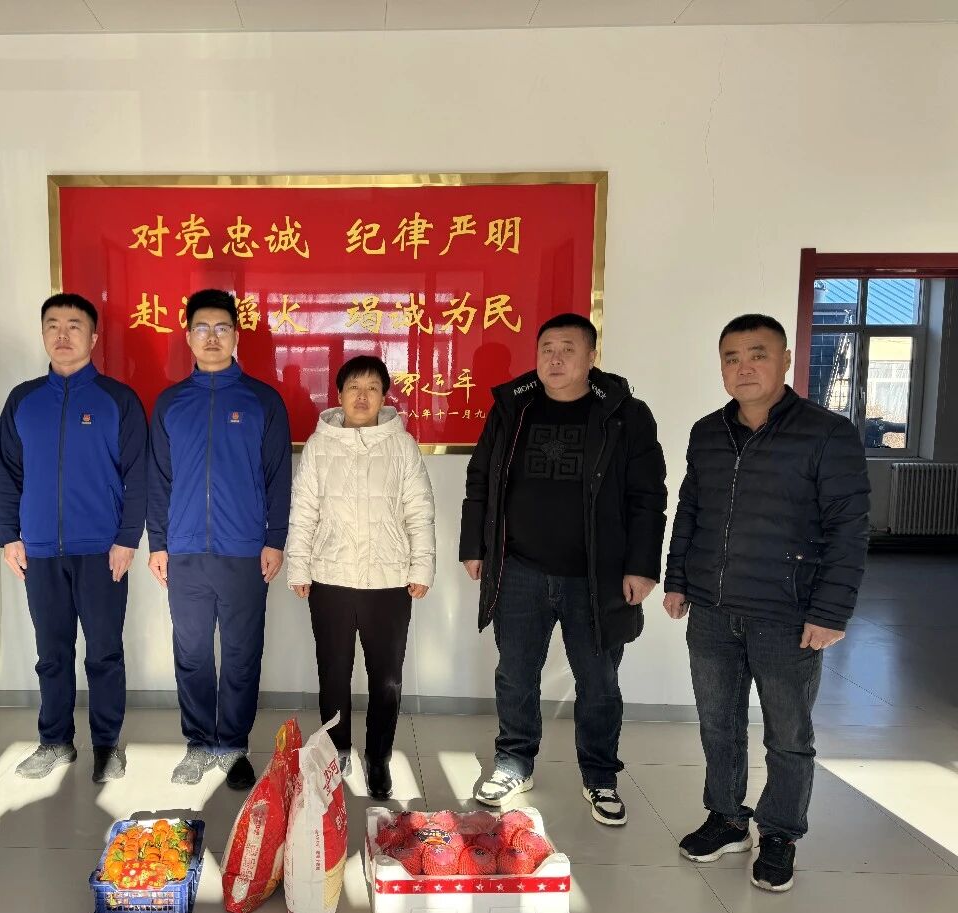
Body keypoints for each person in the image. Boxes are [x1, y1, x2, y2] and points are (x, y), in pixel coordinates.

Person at [664, 313, 869, 893]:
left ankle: (780, 832)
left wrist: (830, 612)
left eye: (758, 354)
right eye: (731, 357)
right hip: (712, 607)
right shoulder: (708, 432)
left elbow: (849, 529)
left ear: (785, 360)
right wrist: (678, 579)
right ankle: (727, 818)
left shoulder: (827, 433)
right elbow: (691, 510)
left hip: (788, 613)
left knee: (788, 734)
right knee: (718, 724)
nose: (744, 367)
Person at [459, 312, 667, 824]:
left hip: (596, 576)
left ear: (592, 356)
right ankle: (514, 761)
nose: (555, 359)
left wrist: (642, 567)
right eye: (546, 349)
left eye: (568, 349)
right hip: (519, 570)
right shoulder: (513, 408)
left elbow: (648, 497)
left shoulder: (625, 414)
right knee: (515, 673)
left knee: (598, 681)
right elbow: (480, 479)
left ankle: (600, 775)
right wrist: (474, 546)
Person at [0, 293, 147, 783]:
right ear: (43, 334)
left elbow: (138, 475)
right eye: (53, 326)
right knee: (52, 654)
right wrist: (8, 535)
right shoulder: (23, 400)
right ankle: (55, 741)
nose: (63, 335)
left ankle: (106, 745)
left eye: (74, 326)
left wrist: (127, 539)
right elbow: (7, 473)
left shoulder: (117, 400)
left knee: (104, 652)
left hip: (102, 551)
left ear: (93, 337)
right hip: (39, 551)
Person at [148, 288, 291, 790]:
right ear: (188, 336)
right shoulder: (170, 403)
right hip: (184, 552)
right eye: (202, 329)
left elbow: (278, 477)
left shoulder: (261, 401)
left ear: (236, 336)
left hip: (244, 551)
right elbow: (158, 479)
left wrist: (274, 539)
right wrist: (158, 543)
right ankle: (197, 742)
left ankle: (231, 746)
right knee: (191, 654)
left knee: (240, 654)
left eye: (222, 328)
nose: (212, 337)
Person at [286, 355, 435, 801]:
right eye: (354, 387)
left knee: (385, 678)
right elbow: (303, 511)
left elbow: (419, 511)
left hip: (389, 581)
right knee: (333, 674)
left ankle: (379, 757)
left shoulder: (402, 446)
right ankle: (335, 751)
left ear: (385, 396)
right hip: (330, 578)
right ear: (339, 395)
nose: (363, 396)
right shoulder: (319, 446)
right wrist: (299, 566)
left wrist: (421, 567)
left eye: (372, 388)